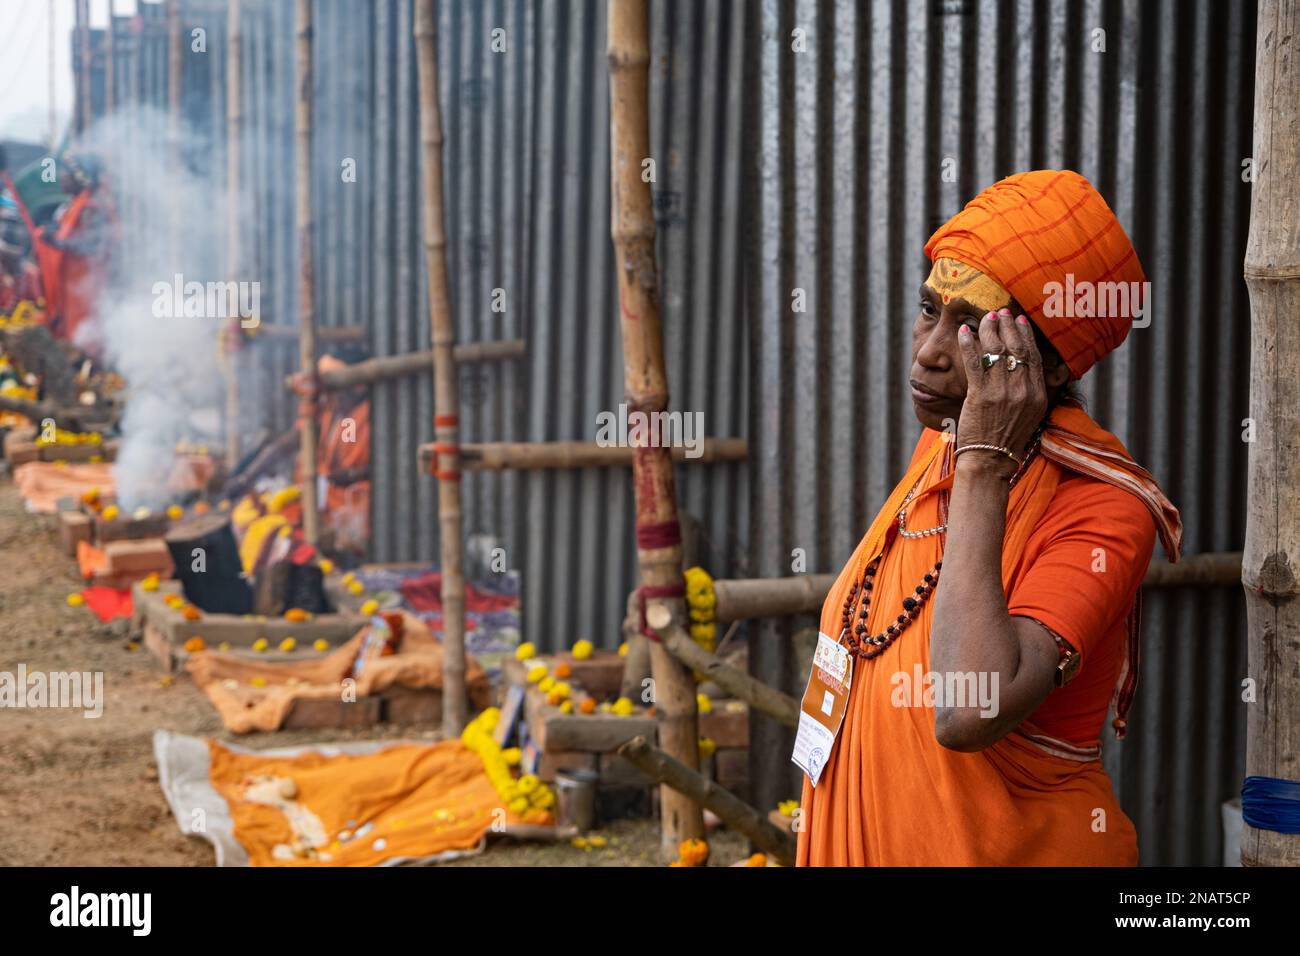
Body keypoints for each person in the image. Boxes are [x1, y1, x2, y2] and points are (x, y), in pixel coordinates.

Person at [795, 170, 1182, 866]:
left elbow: (967, 710)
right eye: (929, 309)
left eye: (970, 327)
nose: (930, 350)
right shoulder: (943, 442)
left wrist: (981, 463)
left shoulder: (1106, 509)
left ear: (1049, 366)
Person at [33, 153, 116, 344]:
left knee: (85, 343)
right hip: (70, 290)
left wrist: (57, 242)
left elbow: (95, 245)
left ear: (80, 177)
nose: (61, 176)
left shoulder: (92, 207)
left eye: (66, 172)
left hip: (86, 290)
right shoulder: (70, 207)